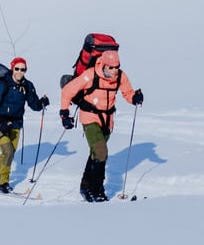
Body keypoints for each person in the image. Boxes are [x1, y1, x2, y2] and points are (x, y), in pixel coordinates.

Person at [59, 50, 143, 202]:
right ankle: (97, 190)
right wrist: (64, 113)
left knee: (96, 153)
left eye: (117, 66)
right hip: (89, 117)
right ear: (104, 65)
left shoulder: (120, 76)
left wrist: (134, 97)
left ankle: (85, 186)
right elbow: (67, 91)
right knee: (101, 151)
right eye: (111, 67)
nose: (114, 70)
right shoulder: (91, 75)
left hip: (107, 120)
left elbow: (127, 92)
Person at [0, 57, 49, 193]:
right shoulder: (2, 85)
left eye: (23, 69)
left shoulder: (27, 86)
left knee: (10, 153)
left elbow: (33, 104)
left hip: (16, 124)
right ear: (12, 68)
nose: (20, 72)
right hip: (0, 123)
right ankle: (4, 182)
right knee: (8, 152)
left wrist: (42, 102)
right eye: (17, 69)